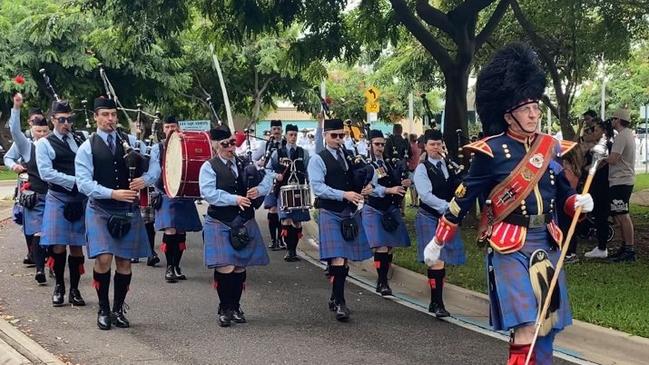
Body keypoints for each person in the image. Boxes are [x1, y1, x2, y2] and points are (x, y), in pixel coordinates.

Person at [424, 43, 593, 364]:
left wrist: (577, 202)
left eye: (536, 107)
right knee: (526, 327)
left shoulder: (550, 148)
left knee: (547, 326)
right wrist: (439, 239)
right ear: (507, 114)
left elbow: (560, 199)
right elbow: (463, 200)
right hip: (509, 246)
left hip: (548, 241)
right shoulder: (489, 151)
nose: (534, 113)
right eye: (526, 108)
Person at [75, 96, 155, 330]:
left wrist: (145, 179)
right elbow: (83, 183)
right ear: (96, 117)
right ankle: (103, 308)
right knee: (103, 258)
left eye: (113, 115)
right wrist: (112, 193)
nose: (110, 119)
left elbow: (155, 165)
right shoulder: (87, 147)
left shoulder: (130, 141)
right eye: (105, 115)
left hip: (127, 209)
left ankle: (118, 309)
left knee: (124, 262)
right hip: (100, 208)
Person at [199, 125, 274, 327]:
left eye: (233, 142)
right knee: (226, 266)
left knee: (239, 267)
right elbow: (209, 193)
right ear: (216, 145)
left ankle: (236, 306)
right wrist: (235, 199)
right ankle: (225, 307)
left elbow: (269, 177)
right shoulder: (209, 166)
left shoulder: (244, 163)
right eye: (226, 144)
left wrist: (259, 189)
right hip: (220, 220)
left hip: (244, 220)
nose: (230, 148)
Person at [307, 118, 373, 322]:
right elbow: (318, 187)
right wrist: (344, 195)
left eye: (341, 135)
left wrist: (367, 187)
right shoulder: (318, 159)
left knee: (344, 259)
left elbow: (360, 179)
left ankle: (335, 297)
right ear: (325, 136)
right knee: (338, 257)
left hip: (349, 212)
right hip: (330, 211)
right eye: (333, 135)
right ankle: (341, 302)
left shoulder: (349, 156)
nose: (338, 139)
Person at [35, 99, 88, 307]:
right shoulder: (43, 144)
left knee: (76, 247)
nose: (66, 123)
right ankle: (59, 286)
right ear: (52, 120)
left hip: (80, 199)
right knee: (58, 246)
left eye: (69, 119)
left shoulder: (80, 139)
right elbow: (46, 173)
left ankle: (75, 290)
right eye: (61, 120)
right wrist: (76, 182)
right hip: (58, 197)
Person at [412, 129, 465, 316]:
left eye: (439, 144)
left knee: (443, 261)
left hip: (447, 218)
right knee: (436, 261)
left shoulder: (448, 165)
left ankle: (436, 302)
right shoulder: (422, 168)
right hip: (430, 217)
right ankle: (437, 303)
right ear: (425, 146)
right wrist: (447, 207)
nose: (436, 148)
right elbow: (425, 195)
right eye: (432, 144)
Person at [149, 116, 203, 282]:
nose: (170, 129)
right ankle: (169, 267)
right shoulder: (158, 148)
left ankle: (177, 266)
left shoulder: (185, 145)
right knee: (170, 230)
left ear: (178, 128)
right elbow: (155, 172)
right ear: (163, 129)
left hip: (183, 193)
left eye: (173, 126)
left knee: (181, 231)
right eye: (167, 127)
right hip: (166, 193)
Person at [8, 93, 50, 284]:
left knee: (54, 236)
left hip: (55, 196)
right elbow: (15, 130)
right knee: (36, 233)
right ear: (32, 130)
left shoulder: (55, 145)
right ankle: (40, 269)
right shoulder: (25, 146)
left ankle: (54, 265)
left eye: (44, 131)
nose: (41, 135)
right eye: (38, 131)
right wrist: (16, 108)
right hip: (35, 195)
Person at [364, 129, 411, 296]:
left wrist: (403, 183)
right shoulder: (366, 164)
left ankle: (384, 278)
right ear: (369, 144)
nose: (380, 148)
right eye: (377, 144)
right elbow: (369, 188)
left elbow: (395, 181)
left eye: (382, 145)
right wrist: (389, 190)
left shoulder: (388, 163)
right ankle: (382, 281)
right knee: (381, 246)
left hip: (389, 208)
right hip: (374, 207)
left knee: (389, 247)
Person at [266, 124, 310, 261]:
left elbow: (309, 171)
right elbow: (267, 169)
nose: (293, 137)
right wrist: (276, 176)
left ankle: (293, 250)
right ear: (286, 136)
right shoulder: (277, 153)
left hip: (299, 191)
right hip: (283, 191)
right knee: (285, 219)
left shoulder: (304, 153)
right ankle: (289, 250)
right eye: (290, 134)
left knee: (297, 222)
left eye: (295, 135)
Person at [605, 108, 636, 262]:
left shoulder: (622, 136)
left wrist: (601, 157)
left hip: (621, 179)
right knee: (620, 214)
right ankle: (625, 247)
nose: (611, 122)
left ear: (618, 120)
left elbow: (613, 159)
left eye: (613, 119)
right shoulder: (627, 134)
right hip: (622, 179)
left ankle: (629, 250)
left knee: (623, 215)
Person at [256, 120, 284, 250]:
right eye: (274, 129)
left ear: (282, 130)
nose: (277, 131)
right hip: (270, 180)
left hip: (284, 180)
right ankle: (273, 240)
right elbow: (253, 158)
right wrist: (260, 163)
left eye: (279, 129)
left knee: (282, 210)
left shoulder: (286, 144)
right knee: (273, 209)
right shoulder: (265, 144)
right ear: (271, 131)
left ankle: (281, 239)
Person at [408, 133, 421, 207]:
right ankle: (416, 202)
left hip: (411, 168)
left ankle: (413, 202)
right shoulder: (418, 147)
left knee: (411, 186)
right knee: (416, 186)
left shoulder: (411, 147)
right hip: (417, 167)